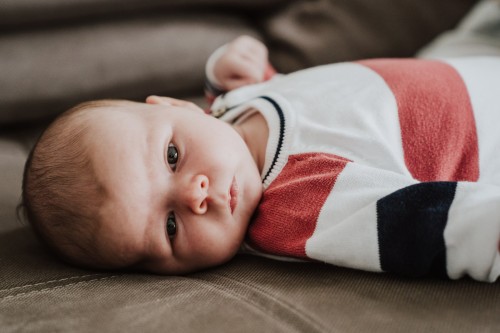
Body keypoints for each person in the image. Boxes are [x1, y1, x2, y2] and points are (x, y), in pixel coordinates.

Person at [20, 1, 500, 282]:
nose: (195, 194)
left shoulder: (230, 110)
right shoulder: (300, 210)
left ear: (176, 106)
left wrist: (233, 76)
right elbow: (434, 224)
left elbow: (310, 110)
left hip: (462, 61)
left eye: (171, 157)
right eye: (169, 227)